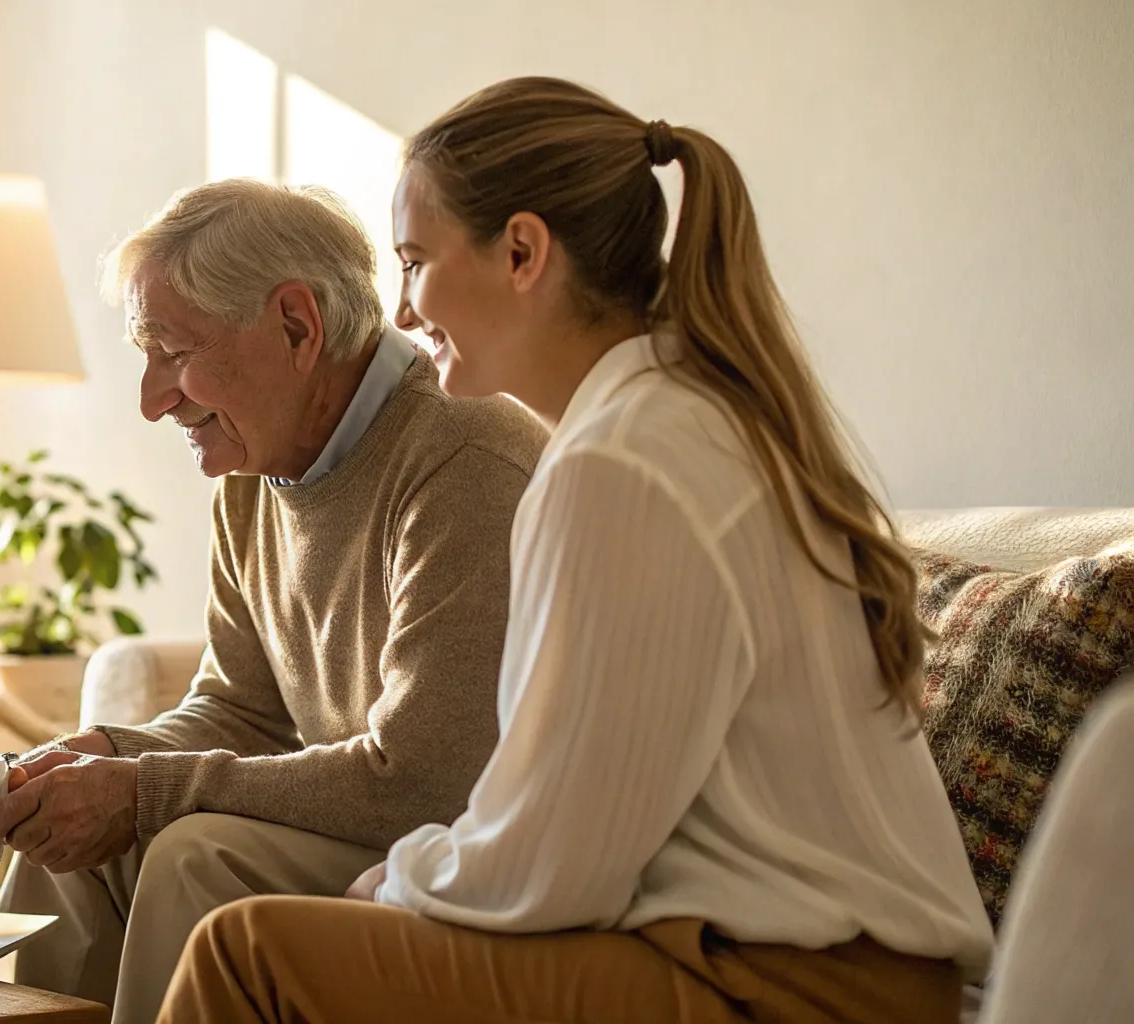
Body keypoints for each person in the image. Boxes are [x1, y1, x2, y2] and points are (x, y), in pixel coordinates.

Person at [160, 77, 995, 1024]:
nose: (400, 312)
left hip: (798, 989)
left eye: (414, 262)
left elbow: (554, 868)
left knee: (250, 951)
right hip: (793, 965)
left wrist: (398, 883)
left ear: (523, 252)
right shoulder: (676, 422)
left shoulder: (623, 463)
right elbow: (568, 831)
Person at [0, 179, 549, 1024]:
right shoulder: (256, 472)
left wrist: (141, 791)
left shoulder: (463, 460)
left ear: (296, 325)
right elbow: (241, 710)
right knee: (62, 846)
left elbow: (428, 778)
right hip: (377, 818)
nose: (152, 401)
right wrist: (104, 754)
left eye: (172, 352)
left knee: (193, 854)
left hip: (467, 846)